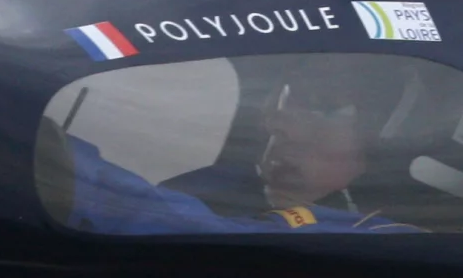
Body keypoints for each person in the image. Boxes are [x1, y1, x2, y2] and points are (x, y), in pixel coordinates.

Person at [63, 59, 420, 236]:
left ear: (385, 135)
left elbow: (201, 237)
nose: (279, 122)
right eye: (281, 99)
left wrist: (60, 163)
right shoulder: (200, 189)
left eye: (322, 108)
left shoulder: (385, 237)